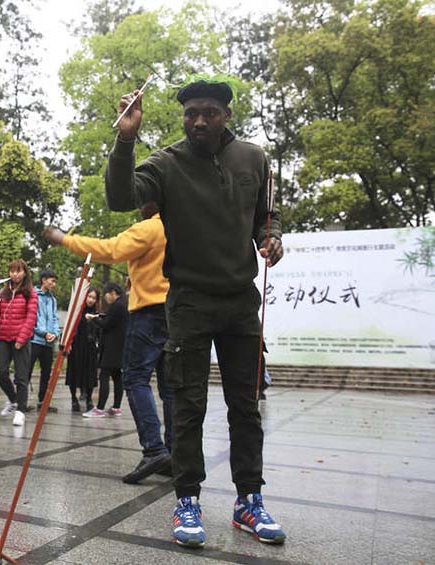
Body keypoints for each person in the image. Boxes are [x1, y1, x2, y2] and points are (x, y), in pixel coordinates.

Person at [104, 74, 286, 547]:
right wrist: (126, 139)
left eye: (209, 112)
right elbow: (121, 198)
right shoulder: (166, 164)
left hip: (241, 300)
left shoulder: (253, 158)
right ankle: (187, 501)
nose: (199, 121)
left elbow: (266, 212)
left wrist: (270, 237)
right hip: (186, 301)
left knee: (245, 406)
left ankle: (250, 501)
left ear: (227, 114)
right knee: (187, 406)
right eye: (191, 114)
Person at [45, 201, 173, 483]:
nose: (139, 205)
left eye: (143, 199)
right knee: (169, 387)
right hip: (178, 313)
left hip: (149, 312)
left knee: (136, 379)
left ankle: (154, 449)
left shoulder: (152, 227)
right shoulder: (185, 226)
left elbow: (110, 250)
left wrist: (64, 238)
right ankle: (174, 453)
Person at [0, 259, 39, 427]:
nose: (15, 274)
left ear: (25, 273)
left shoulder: (30, 293)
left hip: (21, 339)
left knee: (21, 377)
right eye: (12, 271)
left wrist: (21, 339)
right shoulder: (3, 292)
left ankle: (20, 411)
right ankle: (13, 400)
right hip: (3, 338)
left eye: (18, 271)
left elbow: (31, 317)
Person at [82, 282, 127, 418]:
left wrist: (92, 319)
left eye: (106, 295)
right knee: (117, 377)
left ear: (112, 292)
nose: (105, 298)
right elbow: (111, 320)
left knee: (104, 375)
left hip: (111, 348)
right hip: (120, 347)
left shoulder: (117, 305)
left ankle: (100, 408)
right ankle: (116, 407)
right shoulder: (124, 304)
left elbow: (106, 325)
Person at [63, 288, 100, 413]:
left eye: (94, 298)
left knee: (90, 373)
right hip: (76, 346)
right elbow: (69, 327)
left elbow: (100, 331)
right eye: (89, 297)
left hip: (90, 348)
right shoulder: (76, 311)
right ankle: (74, 399)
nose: (91, 300)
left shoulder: (97, 313)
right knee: (74, 373)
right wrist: (68, 343)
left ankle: (89, 399)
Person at [29, 269, 60, 412]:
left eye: (55, 281)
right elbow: (32, 318)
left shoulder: (53, 300)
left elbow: (54, 318)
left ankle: (42, 401)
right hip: (35, 340)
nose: (53, 284)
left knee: (46, 373)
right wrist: (43, 332)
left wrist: (55, 333)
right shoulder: (33, 295)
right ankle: (20, 402)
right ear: (44, 280)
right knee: (27, 371)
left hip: (48, 342)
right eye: (52, 281)